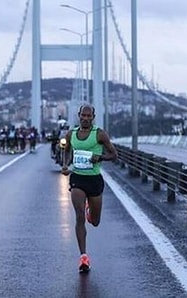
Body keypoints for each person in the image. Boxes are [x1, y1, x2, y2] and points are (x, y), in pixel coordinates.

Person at [63, 103, 117, 273]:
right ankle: (83, 257)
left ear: (93, 117)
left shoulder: (100, 134)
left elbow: (114, 155)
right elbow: (66, 150)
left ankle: (90, 212)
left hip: (94, 180)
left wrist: (100, 157)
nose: (85, 118)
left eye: (89, 116)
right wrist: (65, 164)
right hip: (77, 178)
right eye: (83, 115)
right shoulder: (71, 133)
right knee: (79, 217)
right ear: (79, 116)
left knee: (94, 222)